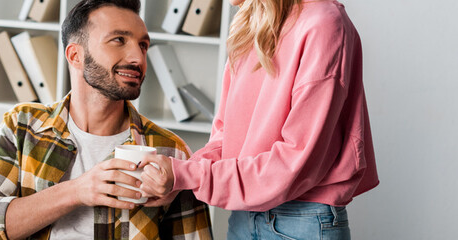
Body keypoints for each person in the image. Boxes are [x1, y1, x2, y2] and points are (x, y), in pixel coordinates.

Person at [0, 0, 212, 239]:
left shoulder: (171, 151)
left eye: (143, 45)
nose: (138, 57)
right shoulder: (23, 126)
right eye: (119, 40)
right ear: (75, 55)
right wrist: (77, 191)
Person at [138, 0, 379, 239]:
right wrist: (178, 179)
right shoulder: (250, 22)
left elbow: (297, 160)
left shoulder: (323, 23)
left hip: (301, 219)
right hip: (243, 216)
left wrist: (188, 175)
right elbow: (225, 138)